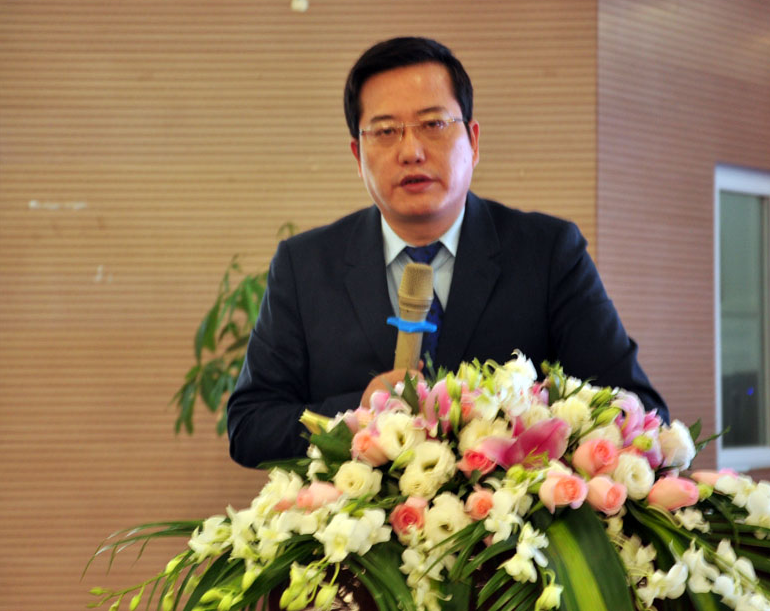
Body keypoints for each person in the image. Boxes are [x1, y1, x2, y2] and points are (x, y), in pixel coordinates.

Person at [226, 36, 668, 468]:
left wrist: (519, 425)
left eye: (434, 124)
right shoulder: (304, 266)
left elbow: (640, 410)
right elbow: (250, 425)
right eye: (385, 131)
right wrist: (358, 410)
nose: (411, 151)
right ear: (358, 155)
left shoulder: (548, 253)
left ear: (473, 141)